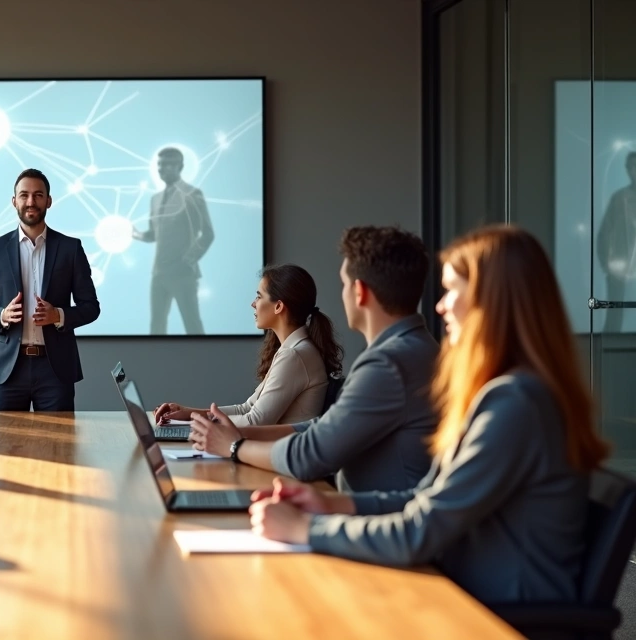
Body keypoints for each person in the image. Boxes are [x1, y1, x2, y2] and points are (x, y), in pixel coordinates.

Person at [249, 224, 611, 604]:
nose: (439, 306)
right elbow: (426, 498)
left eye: (452, 291)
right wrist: (335, 505)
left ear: (493, 301)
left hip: (491, 614)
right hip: (468, 589)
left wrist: (308, 528)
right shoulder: (509, 393)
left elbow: (420, 532)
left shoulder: (515, 403)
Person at [188, 226, 438, 493]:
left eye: (343, 284)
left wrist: (234, 446)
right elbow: (318, 428)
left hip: (374, 517)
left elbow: (311, 455)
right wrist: (237, 435)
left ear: (359, 292)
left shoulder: (387, 364)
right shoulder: (418, 350)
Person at [0, 168, 101, 411]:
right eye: (24, 195)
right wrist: (1, 316)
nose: (31, 201)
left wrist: (58, 316)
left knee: (58, 447)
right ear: (14, 201)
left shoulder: (71, 249)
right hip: (8, 370)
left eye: (38, 195)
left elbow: (91, 307)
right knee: (2, 446)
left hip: (55, 371)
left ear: (49, 201)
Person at [154, 264, 342, 427]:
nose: (253, 304)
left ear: (278, 306)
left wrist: (198, 422)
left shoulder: (295, 355)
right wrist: (188, 413)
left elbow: (255, 421)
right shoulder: (294, 350)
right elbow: (246, 408)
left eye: (259, 297)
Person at [133, 147, 213, 335]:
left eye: (168, 164)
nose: (162, 169)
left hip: (183, 273)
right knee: (156, 327)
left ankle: (201, 362)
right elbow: (155, 234)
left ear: (181, 166)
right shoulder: (155, 199)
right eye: (160, 165)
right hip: (159, 274)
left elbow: (208, 233)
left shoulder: (193, 194)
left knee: (192, 325)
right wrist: (136, 235)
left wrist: (189, 259)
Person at [596, 151, 636, 333]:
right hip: (620, 267)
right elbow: (604, 233)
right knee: (614, 317)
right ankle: (607, 355)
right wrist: (607, 264)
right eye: (632, 167)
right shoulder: (619, 199)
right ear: (628, 170)